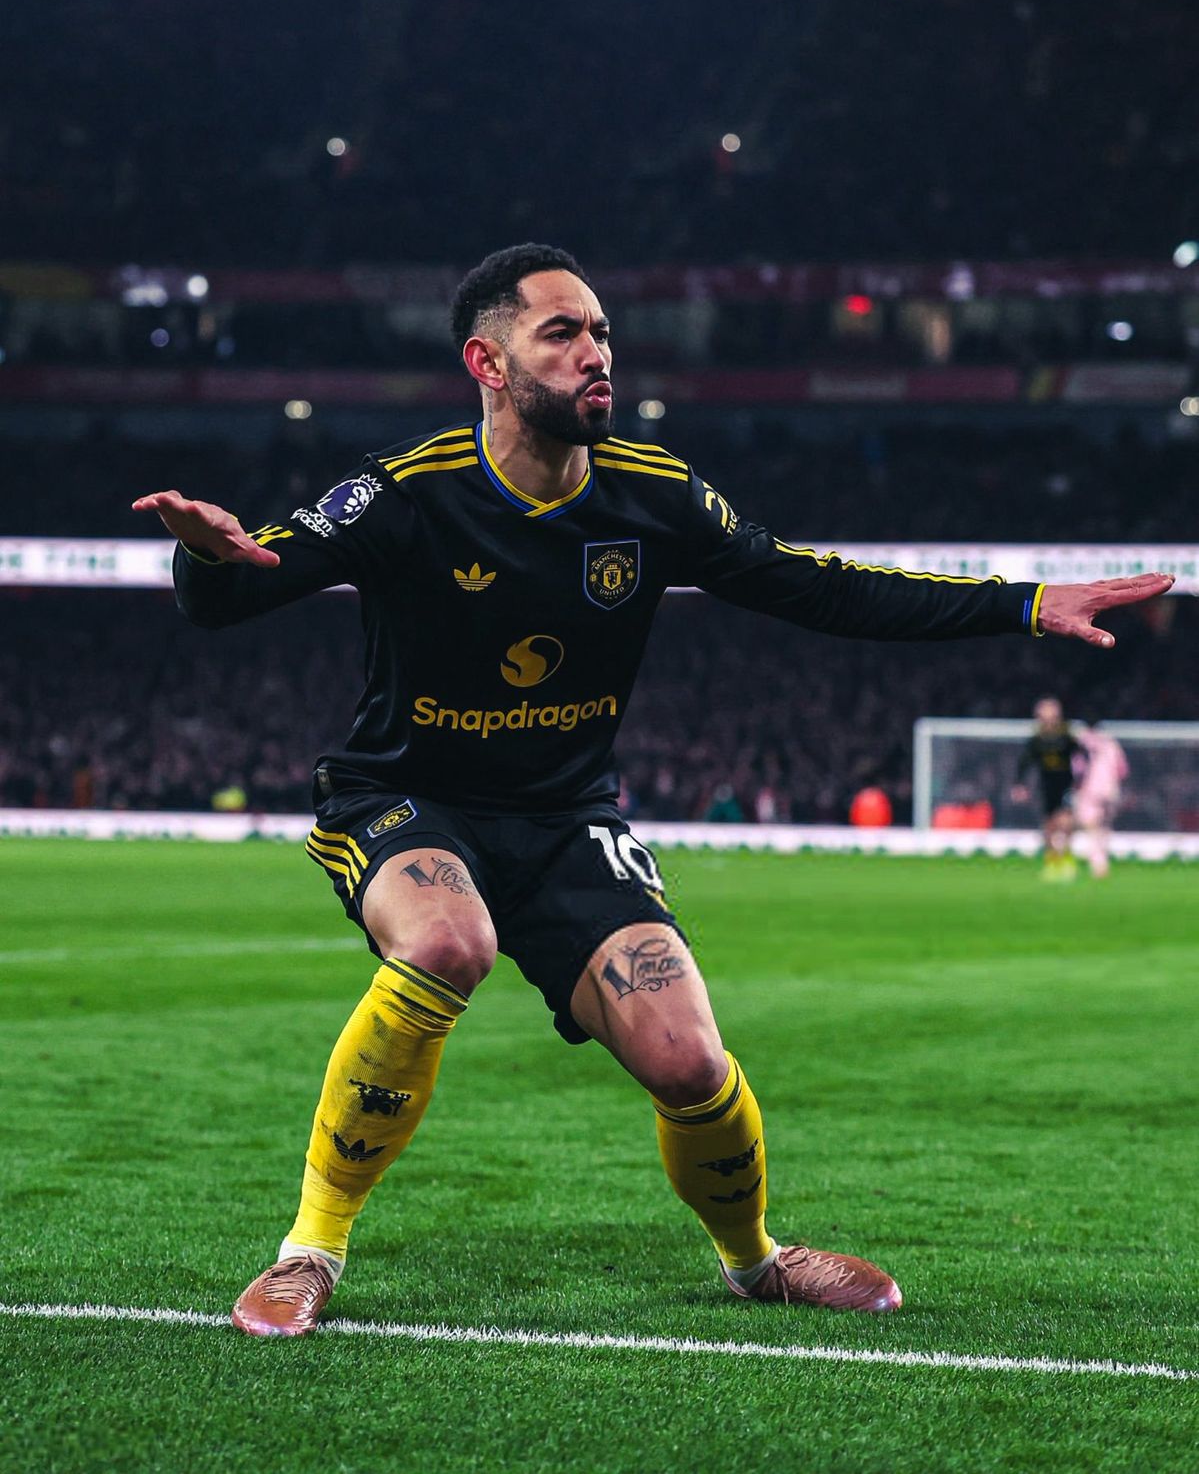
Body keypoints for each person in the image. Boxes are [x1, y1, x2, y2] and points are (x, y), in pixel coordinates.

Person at [133, 244, 1173, 1337]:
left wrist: (1022, 603)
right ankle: (310, 1248)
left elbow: (818, 588)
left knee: (688, 1058)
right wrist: (204, 555)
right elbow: (239, 585)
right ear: (487, 362)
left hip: (564, 817)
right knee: (446, 940)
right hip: (405, 799)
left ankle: (754, 1259)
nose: (596, 353)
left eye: (601, 332)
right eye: (562, 333)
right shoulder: (408, 490)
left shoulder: (654, 492)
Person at [1012, 697, 1084, 880]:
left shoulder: (1067, 738)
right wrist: (1019, 784)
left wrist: (1082, 779)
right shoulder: (1036, 741)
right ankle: (1052, 861)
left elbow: (1082, 757)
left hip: (1066, 786)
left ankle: (1067, 859)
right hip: (1045, 788)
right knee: (1049, 826)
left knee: (1066, 823)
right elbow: (1024, 763)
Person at [1072, 721, 1129, 878]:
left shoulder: (1080, 742)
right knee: (1104, 827)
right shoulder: (1111, 743)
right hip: (1110, 789)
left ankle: (1098, 862)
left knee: (1091, 827)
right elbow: (1122, 770)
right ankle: (1101, 858)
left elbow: (1077, 767)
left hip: (1088, 789)